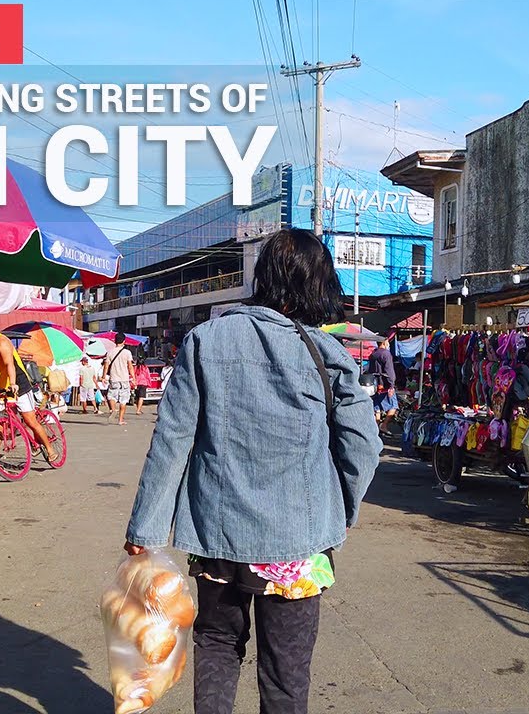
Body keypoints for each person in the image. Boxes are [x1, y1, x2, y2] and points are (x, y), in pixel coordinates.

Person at [123, 230, 382, 714]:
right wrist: (340, 513)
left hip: (217, 539)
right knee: (286, 675)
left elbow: (172, 439)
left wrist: (146, 528)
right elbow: (363, 445)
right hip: (298, 547)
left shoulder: (205, 340)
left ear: (264, 277)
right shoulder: (325, 353)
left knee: (218, 648)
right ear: (315, 286)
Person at [0, 314, 60, 467]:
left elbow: (9, 364)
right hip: (1, 389)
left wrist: (13, 383)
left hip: (19, 386)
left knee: (31, 421)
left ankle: (50, 449)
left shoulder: (1, 342)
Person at [367, 338, 398, 436]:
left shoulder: (373, 354)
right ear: (384, 342)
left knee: (377, 407)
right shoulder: (386, 354)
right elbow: (389, 370)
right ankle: (384, 425)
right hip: (385, 384)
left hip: (375, 383)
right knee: (394, 406)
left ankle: (375, 427)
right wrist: (391, 384)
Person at [103, 333, 134, 426]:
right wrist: (133, 377)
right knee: (123, 400)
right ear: (124, 341)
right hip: (124, 379)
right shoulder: (127, 353)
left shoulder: (110, 352)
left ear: (114, 341)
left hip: (114, 378)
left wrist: (104, 376)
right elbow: (130, 366)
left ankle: (113, 409)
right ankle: (120, 420)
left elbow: (106, 366)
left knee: (111, 396)